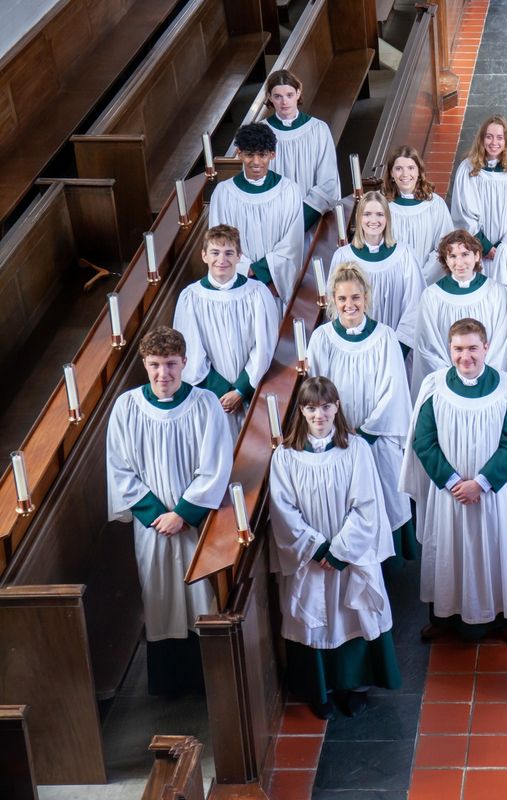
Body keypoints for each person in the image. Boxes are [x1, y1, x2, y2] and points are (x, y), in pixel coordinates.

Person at [106, 326, 233, 695]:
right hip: (153, 527)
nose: (164, 374)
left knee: (199, 595)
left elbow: (216, 464)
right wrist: (155, 514)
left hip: (195, 522)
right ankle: (168, 683)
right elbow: (119, 468)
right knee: (159, 594)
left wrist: (182, 513)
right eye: (156, 365)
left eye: (172, 364)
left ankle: (208, 679)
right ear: (145, 364)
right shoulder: (127, 407)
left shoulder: (206, 404)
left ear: (185, 363)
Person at [268, 376, 400, 718]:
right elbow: (283, 510)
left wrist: (339, 551)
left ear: (336, 407)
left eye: (326, 407)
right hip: (308, 558)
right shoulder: (285, 456)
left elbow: (367, 505)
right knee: (314, 617)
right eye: (311, 408)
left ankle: (353, 687)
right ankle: (320, 689)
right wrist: (316, 548)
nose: (319, 415)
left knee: (352, 615)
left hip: (349, 556)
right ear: (301, 411)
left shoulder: (355, 448)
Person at [400, 318, 507, 645]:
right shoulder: (434, 388)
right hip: (450, 494)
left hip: (491, 496)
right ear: (450, 349)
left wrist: (483, 482)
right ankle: (444, 618)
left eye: (473, 348)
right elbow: (423, 440)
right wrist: (452, 480)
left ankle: (506, 619)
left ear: (486, 348)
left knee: (497, 550)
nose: (466, 357)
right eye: (458, 349)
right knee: (448, 551)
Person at [307, 264, 415, 562]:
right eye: (342, 299)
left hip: (377, 437)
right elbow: (316, 387)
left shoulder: (384, 336)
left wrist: (366, 433)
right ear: (333, 300)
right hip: (338, 436)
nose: (349, 305)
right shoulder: (322, 338)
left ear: (366, 298)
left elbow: (394, 389)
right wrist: (337, 431)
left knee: (384, 495)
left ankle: (386, 566)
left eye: (355, 297)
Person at [174, 225, 279, 440]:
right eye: (215, 252)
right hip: (212, 397)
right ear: (204, 255)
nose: (222, 259)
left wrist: (240, 391)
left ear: (239, 256)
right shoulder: (191, 298)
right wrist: (224, 393)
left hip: (251, 392)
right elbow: (190, 352)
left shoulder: (258, 293)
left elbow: (264, 346)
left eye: (229, 253)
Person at [410, 230, 507, 392]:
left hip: (487, 386)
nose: (460, 262)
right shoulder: (432, 296)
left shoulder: (496, 293)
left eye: (465, 254)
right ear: (445, 261)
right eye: (453, 256)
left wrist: (482, 376)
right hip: (448, 386)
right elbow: (428, 347)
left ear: (477, 256)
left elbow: (502, 345)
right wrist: (454, 378)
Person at [208, 122, 305, 305]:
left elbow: (292, 244)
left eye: (262, 155)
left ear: (272, 154)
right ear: (239, 153)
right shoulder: (224, 193)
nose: (256, 162)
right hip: (239, 286)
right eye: (249, 155)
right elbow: (219, 241)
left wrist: (261, 271)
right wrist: (246, 270)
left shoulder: (289, 190)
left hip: (274, 286)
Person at [330, 190, 425, 355]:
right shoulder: (343, 256)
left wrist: (396, 351)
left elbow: (415, 305)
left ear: (387, 219)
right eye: (367, 214)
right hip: (354, 349)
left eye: (379, 214)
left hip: (396, 348)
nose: (373, 220)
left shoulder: (404, 255)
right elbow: (336, 305)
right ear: (359, 218)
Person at [260, 69, 339, 233]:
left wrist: (300, 220)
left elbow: (328, 182)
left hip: (312, 218)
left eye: (289, 95)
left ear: (298, 93)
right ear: (269, 97)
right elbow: (255, 180)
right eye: (278, 96)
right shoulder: (260, 132)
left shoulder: (317, 129)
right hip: (273, 222)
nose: (284, 102)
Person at [449, 115, 507, 261]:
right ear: (481, 139)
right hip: (475, 247)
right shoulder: (468, 169)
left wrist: (504, 245)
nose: (494, 142)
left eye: (499, 138)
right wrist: (484, 247)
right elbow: (464, 213)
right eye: (489, 137)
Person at [384, 145, 456, 283]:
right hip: (392, 281)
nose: (405, 174)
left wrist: (420, 278)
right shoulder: (383, 206)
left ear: (419, 172)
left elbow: (443, 246)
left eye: (411, 168)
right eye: (398, 169)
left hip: (426, 282)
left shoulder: (435, 204)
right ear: (391, 173)